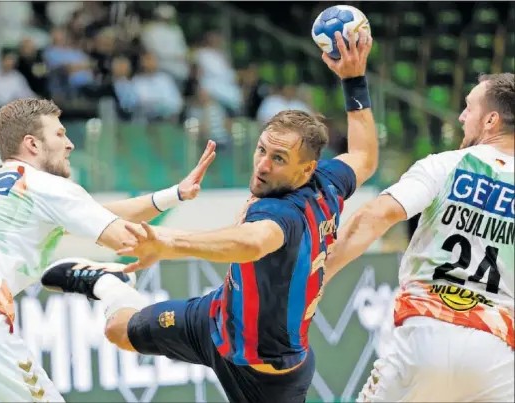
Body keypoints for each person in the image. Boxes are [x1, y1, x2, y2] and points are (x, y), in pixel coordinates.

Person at [41, 31, 376, 402]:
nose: (262, 166)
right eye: (261, 150)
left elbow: (251, 242)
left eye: (278, 159)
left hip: (265, 376)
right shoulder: (329, 178)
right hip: (215, 317)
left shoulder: (283, 213)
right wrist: (353, 79)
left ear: (305, 169)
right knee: (118, 331)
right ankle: (108, 284)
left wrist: (167, 243)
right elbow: (364, 156)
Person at [0, 98, 216, 402]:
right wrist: (220, 242)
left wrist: (174, 195)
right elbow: (125, 238)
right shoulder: (45, 185)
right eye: (59, 134)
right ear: (32, 144)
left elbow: (100, 213)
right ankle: (112, 287)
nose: (70, 144)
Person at [323, 72, 514, 402]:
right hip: (496, 355)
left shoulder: (444, 165)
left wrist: (317, 276)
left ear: (490, 120)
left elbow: (373, 217)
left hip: (426, 336)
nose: (461, 116)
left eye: (469, 108)